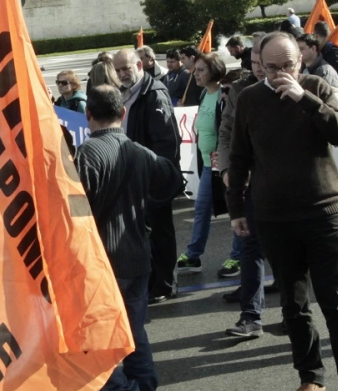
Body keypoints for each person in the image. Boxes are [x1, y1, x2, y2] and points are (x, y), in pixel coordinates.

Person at [227, 32, 338, 391]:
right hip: (274, 216)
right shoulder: (249, 99)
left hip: (323, 212)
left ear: (300, 61)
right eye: (271, 67)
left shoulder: (317, 87)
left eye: (287, 65)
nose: (279, 73)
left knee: (337, 304)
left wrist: (303, 98)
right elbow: (238, 157)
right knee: (293, 305)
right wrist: (236, 207)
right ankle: (310, 377)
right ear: (258, 64)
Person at [75, 85, 183, 391]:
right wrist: (146, 202)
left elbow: (75, 212)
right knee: (133, 335)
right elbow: (172, 178)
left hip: (101, 261)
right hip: (138, 255)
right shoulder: (138, 151)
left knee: (87, 340)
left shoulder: (88, 154)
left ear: (88, 115)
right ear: (122, 114)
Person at [111, 49, 182, 303]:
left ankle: (165, 283)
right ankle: (153, 281)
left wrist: (154, 175)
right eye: (118, 70)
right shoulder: (125, 92)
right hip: (135, 175)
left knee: (160, 231)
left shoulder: (153, 94)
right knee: (145, 231)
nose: (122, 74)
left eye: (126, 68)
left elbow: (166, 142)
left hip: (153, 176)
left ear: (139, 65)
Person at [217, 44, 272, 334]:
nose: (259, 69)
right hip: (250, 182)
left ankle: (295, 315)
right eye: (254, 63)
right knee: (251, 247)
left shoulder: (302, 86)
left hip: (286, 185)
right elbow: (226, 133)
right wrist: (227, 170)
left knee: (286, 249)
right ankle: (251, 316)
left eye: (264, 62)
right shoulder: (240, 91)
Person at [176, 53, 228, 275]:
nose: (195, 74)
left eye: (200, 70)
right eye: (195, 70)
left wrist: (224, 156)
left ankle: (239, 256)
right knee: (202, 209)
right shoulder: (204, 94)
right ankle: (193, 255)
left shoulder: (224, 96)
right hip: (208, 166)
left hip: (225, 166)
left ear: (213, 72)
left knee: (237, 212)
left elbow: (228, 130)